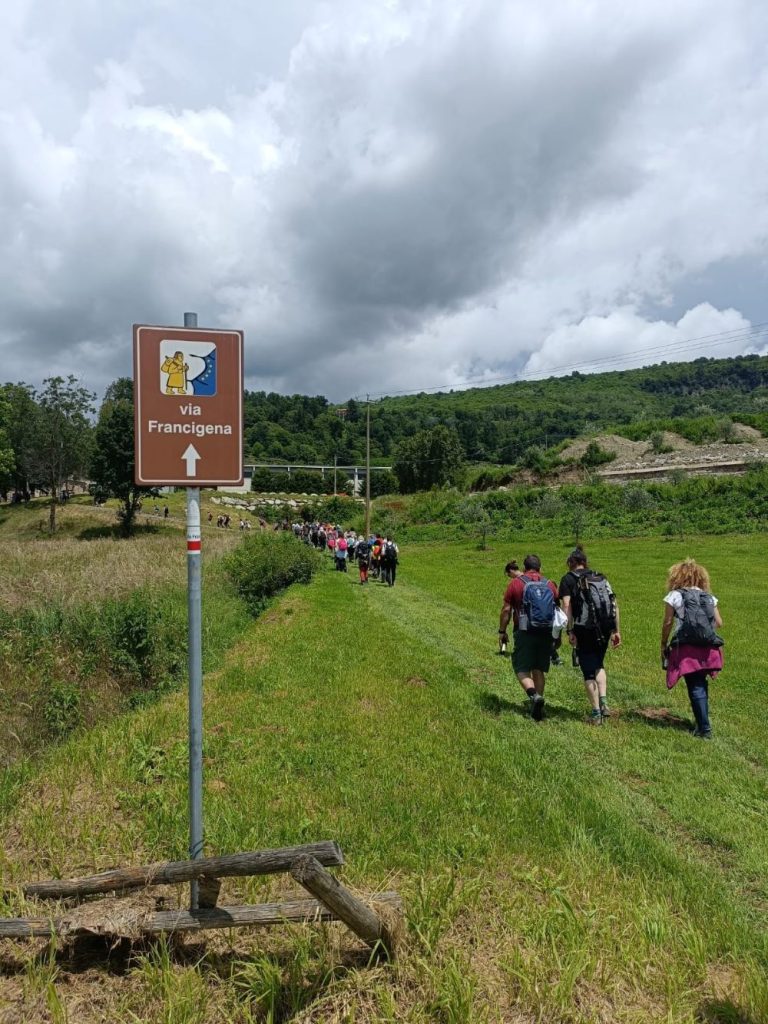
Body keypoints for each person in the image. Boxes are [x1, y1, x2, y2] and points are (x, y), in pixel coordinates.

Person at [661, 558, 723, 739]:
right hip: (708, 646)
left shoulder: (675, 595)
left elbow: (667, 623)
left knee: (694, 684)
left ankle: (704, 729)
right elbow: (719, 622)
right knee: (700, 683)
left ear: (676, 577)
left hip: (687, 645)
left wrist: (663, 643)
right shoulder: (709, 597)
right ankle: (701, 721)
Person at [559, 547, 621, 725]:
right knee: (599, 664)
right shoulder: (600, 577)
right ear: (584, 562)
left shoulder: (568, 579)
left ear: (571, 563)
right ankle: (604, 702)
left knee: (587, 671)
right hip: (604, 627)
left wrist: (569, 630)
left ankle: (595, 714)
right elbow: (614, 603)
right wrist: (616, 630)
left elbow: (566, 605)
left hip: (583, 628)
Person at [498, 554, 559, 720]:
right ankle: (537, 705)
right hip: (546, 632)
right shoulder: (550, 585)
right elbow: (558, 609)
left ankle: (534, 697)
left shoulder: (516, 583)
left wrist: (502, 631)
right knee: (538, 669)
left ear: (524, 568)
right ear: (540, 567)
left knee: (521, 668)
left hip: (524, 632)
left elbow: (506, 611)